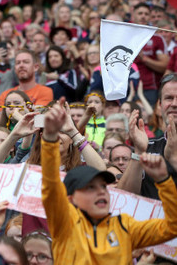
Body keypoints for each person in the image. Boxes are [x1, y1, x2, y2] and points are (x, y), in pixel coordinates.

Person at [40, 99, 177, 264]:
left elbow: (172, 227)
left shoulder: (124, 226)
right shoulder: (63, 223)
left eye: (103, 187)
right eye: (90, 188)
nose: (100, 192)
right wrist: (49, 139)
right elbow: (50, 186)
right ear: (70, 199)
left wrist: (164, 181)